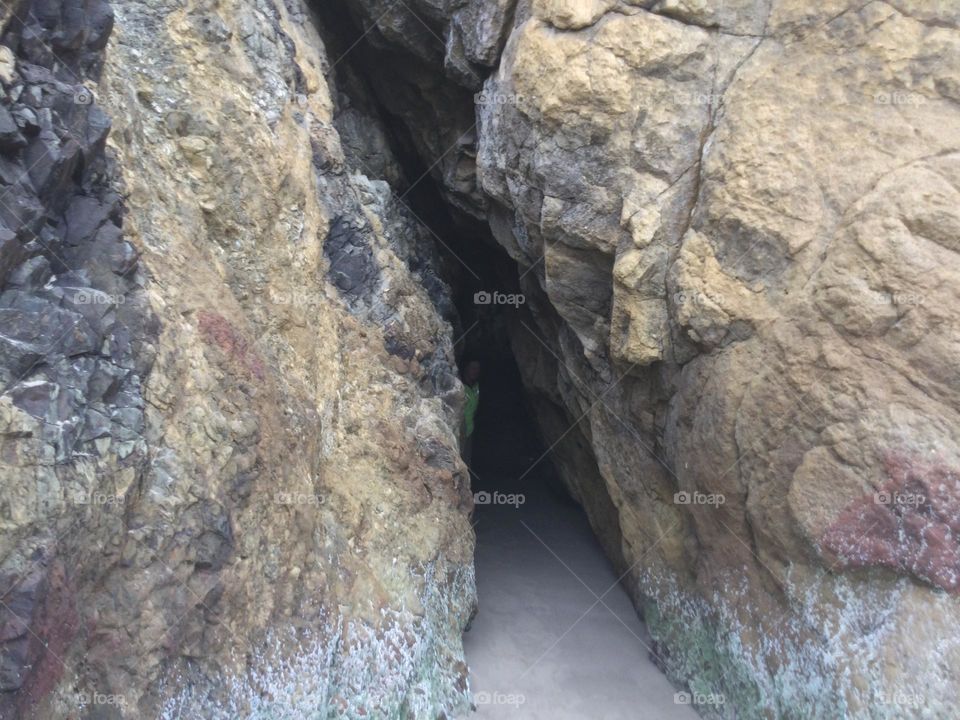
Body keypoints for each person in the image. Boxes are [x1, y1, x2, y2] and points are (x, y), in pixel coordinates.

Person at [461, 360, 481, 466]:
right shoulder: (460, 386)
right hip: (460, 430)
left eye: (477, 368)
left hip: (469, 429)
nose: (475, 371)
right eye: (473, 368)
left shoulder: (476, 386)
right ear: (466, 369)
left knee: (466, 463)